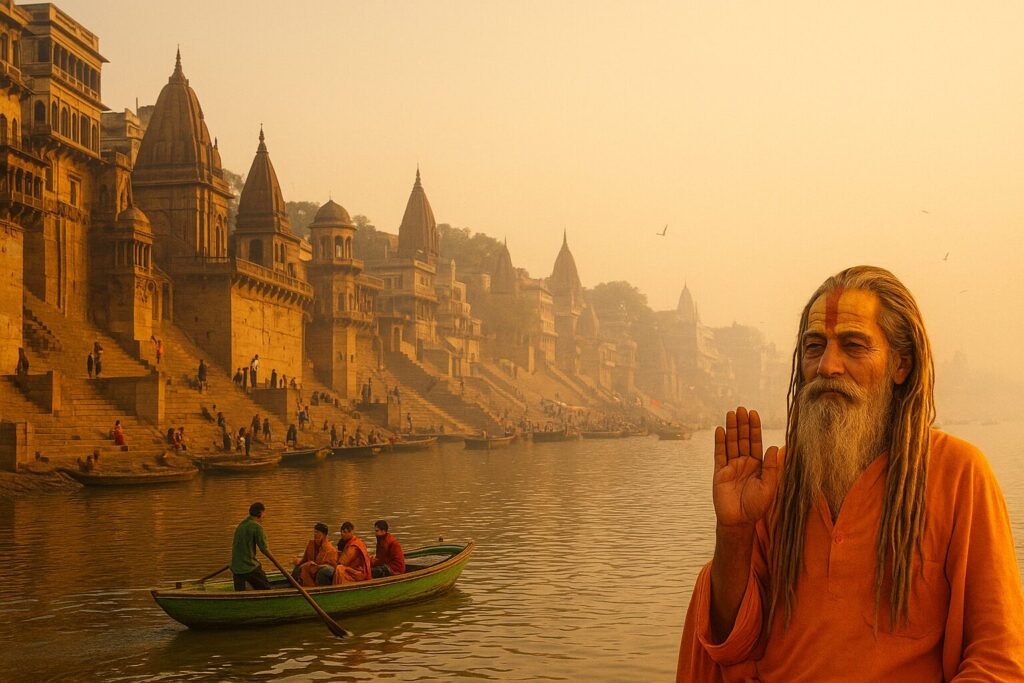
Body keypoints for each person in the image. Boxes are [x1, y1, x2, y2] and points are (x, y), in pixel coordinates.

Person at [676, 266, 1024, 681]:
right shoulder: (774, 480)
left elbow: (998, 656)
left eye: (853, 346)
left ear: (901, 366)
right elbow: (732, 643)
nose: (827, 366)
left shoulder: (959, 474)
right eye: (814, 346)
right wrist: (733, 534)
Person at [231, 502, 272, 591]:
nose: (264, 516)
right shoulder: (257, 527)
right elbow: (264, 549)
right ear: (260, 513)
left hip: (235, 569)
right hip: (249, 567)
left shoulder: (241, 525)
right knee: (267, 589)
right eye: (264, 513)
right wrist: (277, 562)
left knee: (240, 593)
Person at [316, 522, 372, 586]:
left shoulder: (354, 546)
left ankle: (333, 589)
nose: (342, 534)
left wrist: (330, 563)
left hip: (356, 573)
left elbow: (343, 562)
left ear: (351, 532)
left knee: (338, 569)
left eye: (345, 532)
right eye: (341, 532)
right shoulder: (348, 542)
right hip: (350, 569)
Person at [291, 522, 337, 587]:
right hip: (313, 567)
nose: (315, 534)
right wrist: (299, 562)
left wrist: (313, 565)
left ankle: (320, 589)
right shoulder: (311, 544)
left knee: (323, 571)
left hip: (325, 570)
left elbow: (331, 566)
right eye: (314, 532)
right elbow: (305, 559)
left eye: (317, 532)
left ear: (324, 535)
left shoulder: (330, 549)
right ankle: (294, 585)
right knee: (298, 567)